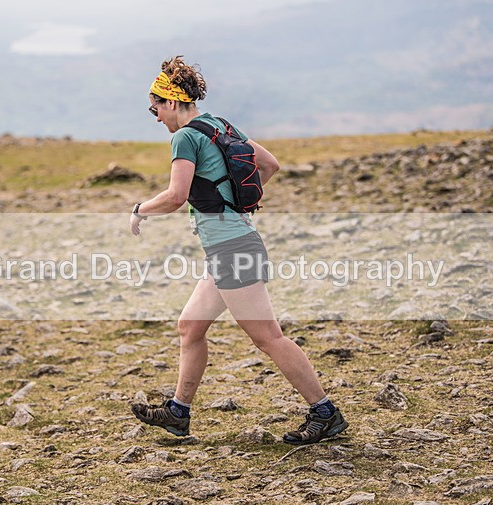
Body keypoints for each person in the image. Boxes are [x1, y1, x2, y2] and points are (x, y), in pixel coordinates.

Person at [130, 56, 347, 445]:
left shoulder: (184, 137)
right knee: (190, 327)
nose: (156, 116)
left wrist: (139, 210)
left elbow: (177, 196)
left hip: (232, 248)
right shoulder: (218, 125)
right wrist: (238, 205)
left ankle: (324, 412)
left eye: (156, 107)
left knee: (268, 337)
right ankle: (178, 413)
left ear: (172, 102)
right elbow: (269, 164)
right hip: (231, 245)